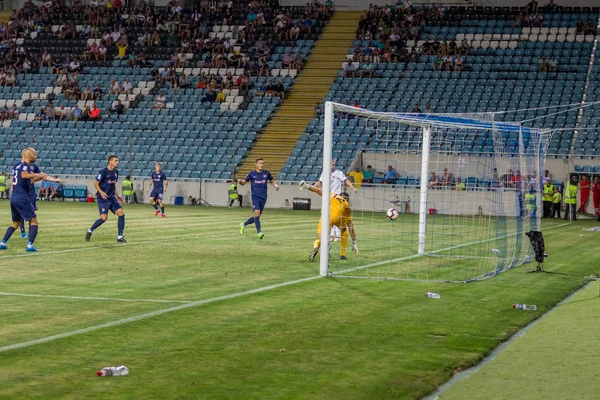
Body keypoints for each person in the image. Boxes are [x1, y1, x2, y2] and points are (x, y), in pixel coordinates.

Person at [0, 148, 60, 252]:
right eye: (34, 154)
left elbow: (30, 180)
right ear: (28, 155)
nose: (36, 156)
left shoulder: (17, 165)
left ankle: (2, 243)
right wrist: (37, 175)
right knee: (34, 220)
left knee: (16, 223)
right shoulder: (24, 166)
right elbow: (24, 175)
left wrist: (51, 179)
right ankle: (30, 245)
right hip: (22, 198)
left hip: (14, 198)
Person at [299, 181, 358, 261]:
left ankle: (316, 246)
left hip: (326, 217)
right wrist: (354, 242)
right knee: (344, 231)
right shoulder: (346, 205)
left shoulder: (333, 195)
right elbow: (351, 226)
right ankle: (342, 254)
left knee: (321, 238)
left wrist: (306, 186)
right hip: (338, 219)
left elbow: (317, 190)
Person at [313, 160, 359, 242]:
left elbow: (346, 181)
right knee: (327, 215)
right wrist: (311, 187)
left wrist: (353, 188)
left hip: (337, 197)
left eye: (334, 165)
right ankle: (330, 235)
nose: (332, 166)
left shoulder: (339, 172)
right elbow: (319, 182)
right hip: (327, 197)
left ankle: (338, 236)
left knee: (336, 216)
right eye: (331, 165)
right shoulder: (325, 173)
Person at [85, 155, 127, 242]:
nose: (117, 162)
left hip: (112, 198)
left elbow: (113, 185)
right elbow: (96, 184)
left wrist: (118, 196)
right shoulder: (103, 172)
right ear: (110, 161)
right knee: (104, 218)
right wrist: (101, 192)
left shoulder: (116, 172)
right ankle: (90, 230)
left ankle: (119, 236)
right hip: (103, 198)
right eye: (116, 161)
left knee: (121, 213)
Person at [238, 158, 279, 239]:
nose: (262, 165)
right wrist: (240, 181)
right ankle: (259, 232)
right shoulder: (252, 173)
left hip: (263, 197)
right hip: (255, 197)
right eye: (260, 163)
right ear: (256, 164)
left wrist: (275, 185)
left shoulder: (266, 173)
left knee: (257, 216)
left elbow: (272, 180)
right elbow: (244, 182)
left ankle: (244, 224)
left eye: (263, 163)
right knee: (257, 213)